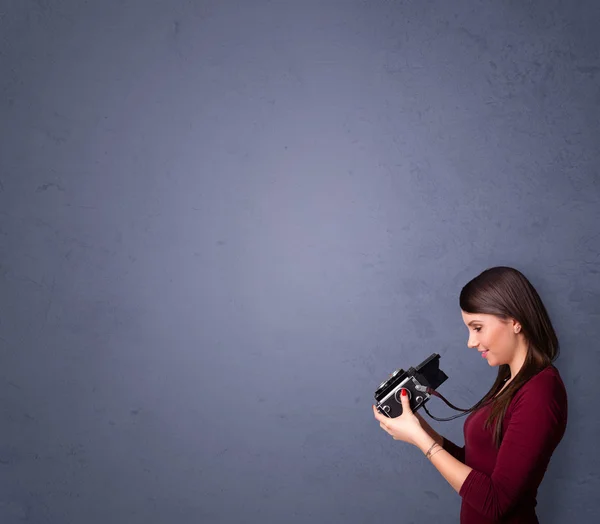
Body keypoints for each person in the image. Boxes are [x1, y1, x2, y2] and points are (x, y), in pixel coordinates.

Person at [373, 266, 568, 523]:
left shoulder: (541, 392)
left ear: (515, 321)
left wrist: (421, 439)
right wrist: (419, 428)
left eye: (477, 328)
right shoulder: (511, 381)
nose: (470, 342)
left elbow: (496, 502)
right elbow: (477, 466)